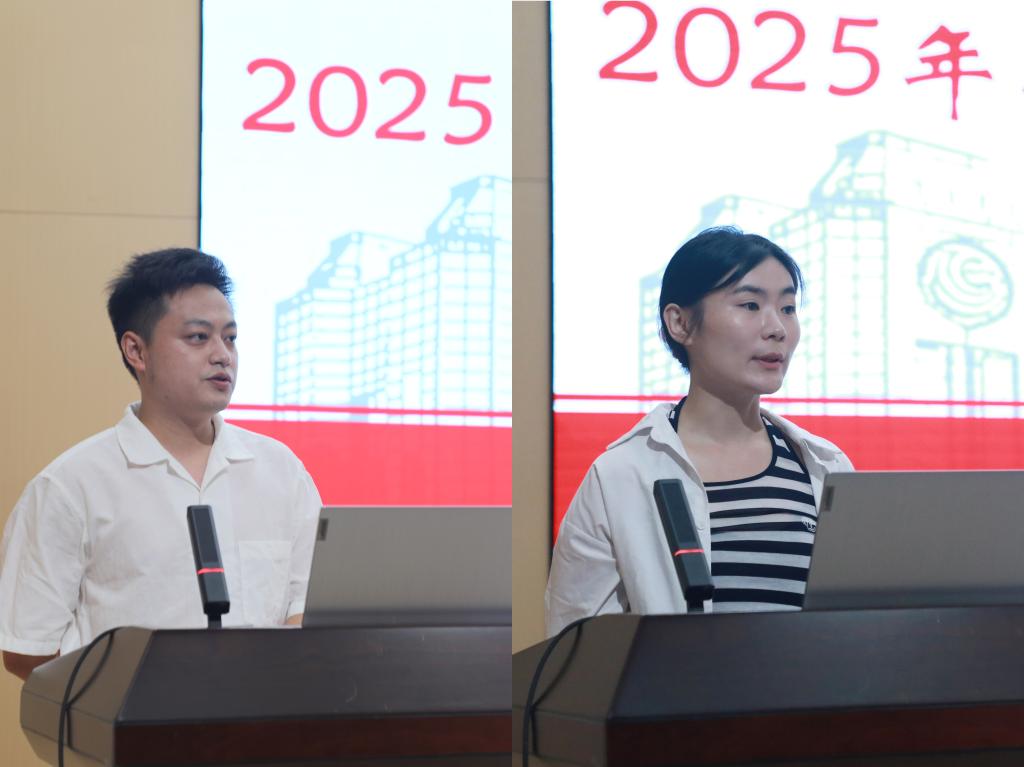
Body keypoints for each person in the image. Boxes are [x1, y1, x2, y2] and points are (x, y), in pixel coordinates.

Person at [0, 248, 321, 679]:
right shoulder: (71, 486)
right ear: (136, 350)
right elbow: (27, 649)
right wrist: (125, 695)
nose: (222, 355)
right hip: (132, 721)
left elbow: (307, 607)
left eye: (230, 338)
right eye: (198, 337)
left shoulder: (280, 470)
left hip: (262, 716)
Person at [546, 227, 853, 635]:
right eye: (750, 305)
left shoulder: (823, 467)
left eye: (788, 308)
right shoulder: (620, 475)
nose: (777, 328)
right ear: (680, 323)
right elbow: (573, 646)